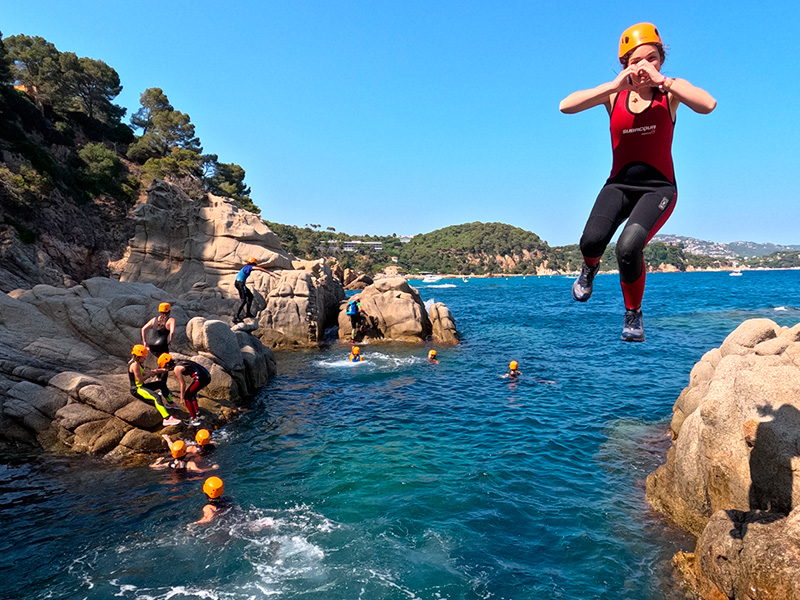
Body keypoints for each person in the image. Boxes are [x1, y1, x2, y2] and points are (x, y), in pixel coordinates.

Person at [559, 23, 716, 342]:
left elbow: (707, 104)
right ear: (625, 65)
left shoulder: (669, 93)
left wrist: (664, 81)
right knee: (591, 241)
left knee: (628, 246)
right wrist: (613, 85)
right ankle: (589, 268)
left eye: (652, 58)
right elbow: (566, 105)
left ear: (661, 61)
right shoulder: (613, 96)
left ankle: (633, 314)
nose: (645, 66)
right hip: (618, 185)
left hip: (658, 188)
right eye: (636, 61)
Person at [129, 345, 181, 427]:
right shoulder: (134, 365)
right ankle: (167, 419)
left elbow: (145, 373)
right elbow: (140, 380)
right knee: (156, 397)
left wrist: (163, 370)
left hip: (142, 386)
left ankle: (170, 403)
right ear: (137, 356)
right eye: (143, 357)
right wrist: (149, 374)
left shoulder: (138, 364)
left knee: (161, 384)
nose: (145, 359)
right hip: (137, 389)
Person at [158, 353, 211, 427]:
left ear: (167, 365)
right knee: (192, 394)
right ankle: (196, 413)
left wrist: (182, 397)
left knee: (187, 397)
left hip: (200, 378)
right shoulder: (179, 362)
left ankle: (194, 419)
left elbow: (183, 384)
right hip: (206, 376)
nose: (166, 369)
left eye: (165, 367)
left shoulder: (177, 369)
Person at [234, 257, 277, 323]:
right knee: (243, 300)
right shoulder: (248, 267)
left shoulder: (246, 267)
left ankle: (248, 313)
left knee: (250, 296)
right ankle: (236, 317)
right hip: (240, 284)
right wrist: (269, 272)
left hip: (240, 283)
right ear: (254, 263)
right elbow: (258, 268)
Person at [150, 436, 217, 473]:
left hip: (175, 479)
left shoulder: (169, 463)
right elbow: (199, 471)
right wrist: (212, 468)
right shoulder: (190, 464)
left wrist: (158, 461)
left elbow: (153, 466)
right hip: (186, 480)